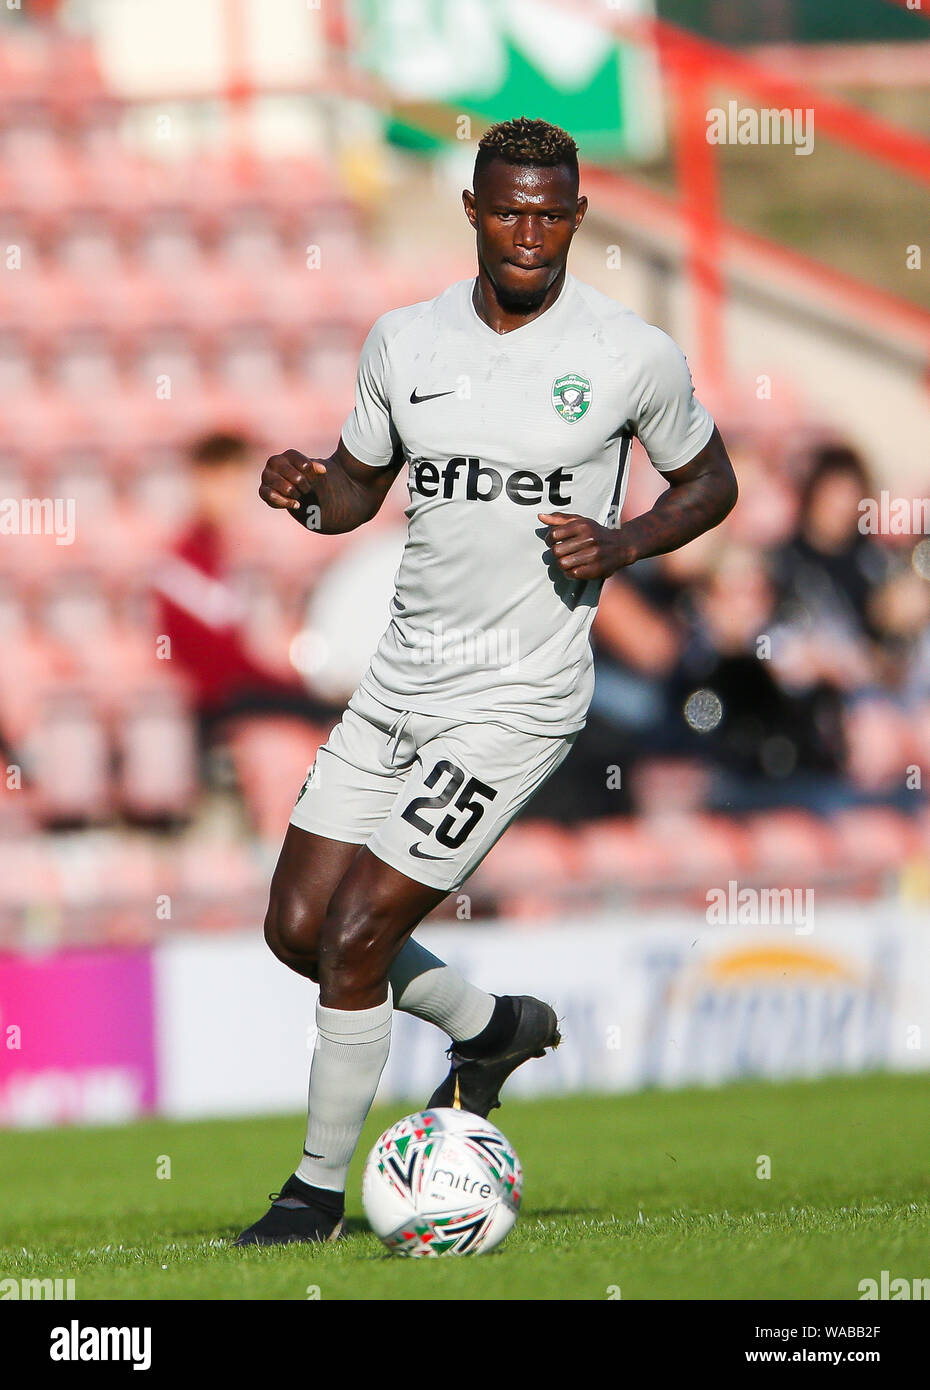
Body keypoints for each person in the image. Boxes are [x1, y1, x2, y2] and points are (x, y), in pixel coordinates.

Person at [234, 117, 737, 1246]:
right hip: (397, 683)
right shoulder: (403, 343)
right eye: (508, 208)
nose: (528, 232)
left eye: (550, 213)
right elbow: (356, 495)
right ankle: (496, 1026)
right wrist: (306, 491)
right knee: (297, 923)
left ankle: (313, 1197)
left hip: (516, 695)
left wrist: (625, 542)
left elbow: (711, 482)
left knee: (359, 932)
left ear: (577, 217)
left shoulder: (629, 353)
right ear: (470, 207)